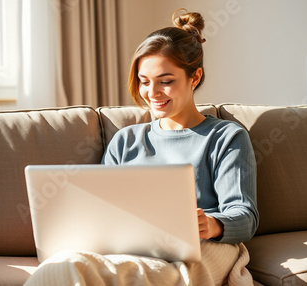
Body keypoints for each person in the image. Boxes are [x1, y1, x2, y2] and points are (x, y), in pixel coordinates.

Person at [25, 8, 259, 286]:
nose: (152, 93)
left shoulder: (225, 137)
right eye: (144, 81)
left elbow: (245, 215)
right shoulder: (125, 141)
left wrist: (212, 224)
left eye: (166, 82)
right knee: (65, 266)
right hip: (137, 251)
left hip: (204, 247)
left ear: (194, 77)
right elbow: (103, 213)